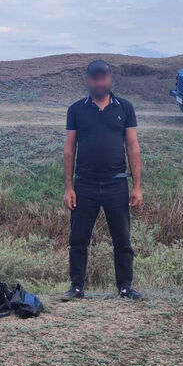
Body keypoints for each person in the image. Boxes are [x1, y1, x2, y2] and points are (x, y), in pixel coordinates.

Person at [62, 60, 144, 301]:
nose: (99, 82)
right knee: (78, 239)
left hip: (116, 183)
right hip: (85, 184)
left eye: (103, 77)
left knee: (122, 239)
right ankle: (76, 287)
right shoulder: (76, 109)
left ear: (110, 79)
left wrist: (137, 186)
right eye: (95, 78)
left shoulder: (125, 108)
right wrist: (69, 187)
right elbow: (69, 149)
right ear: (88, 80)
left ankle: (125, 287)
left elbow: (133, 147)